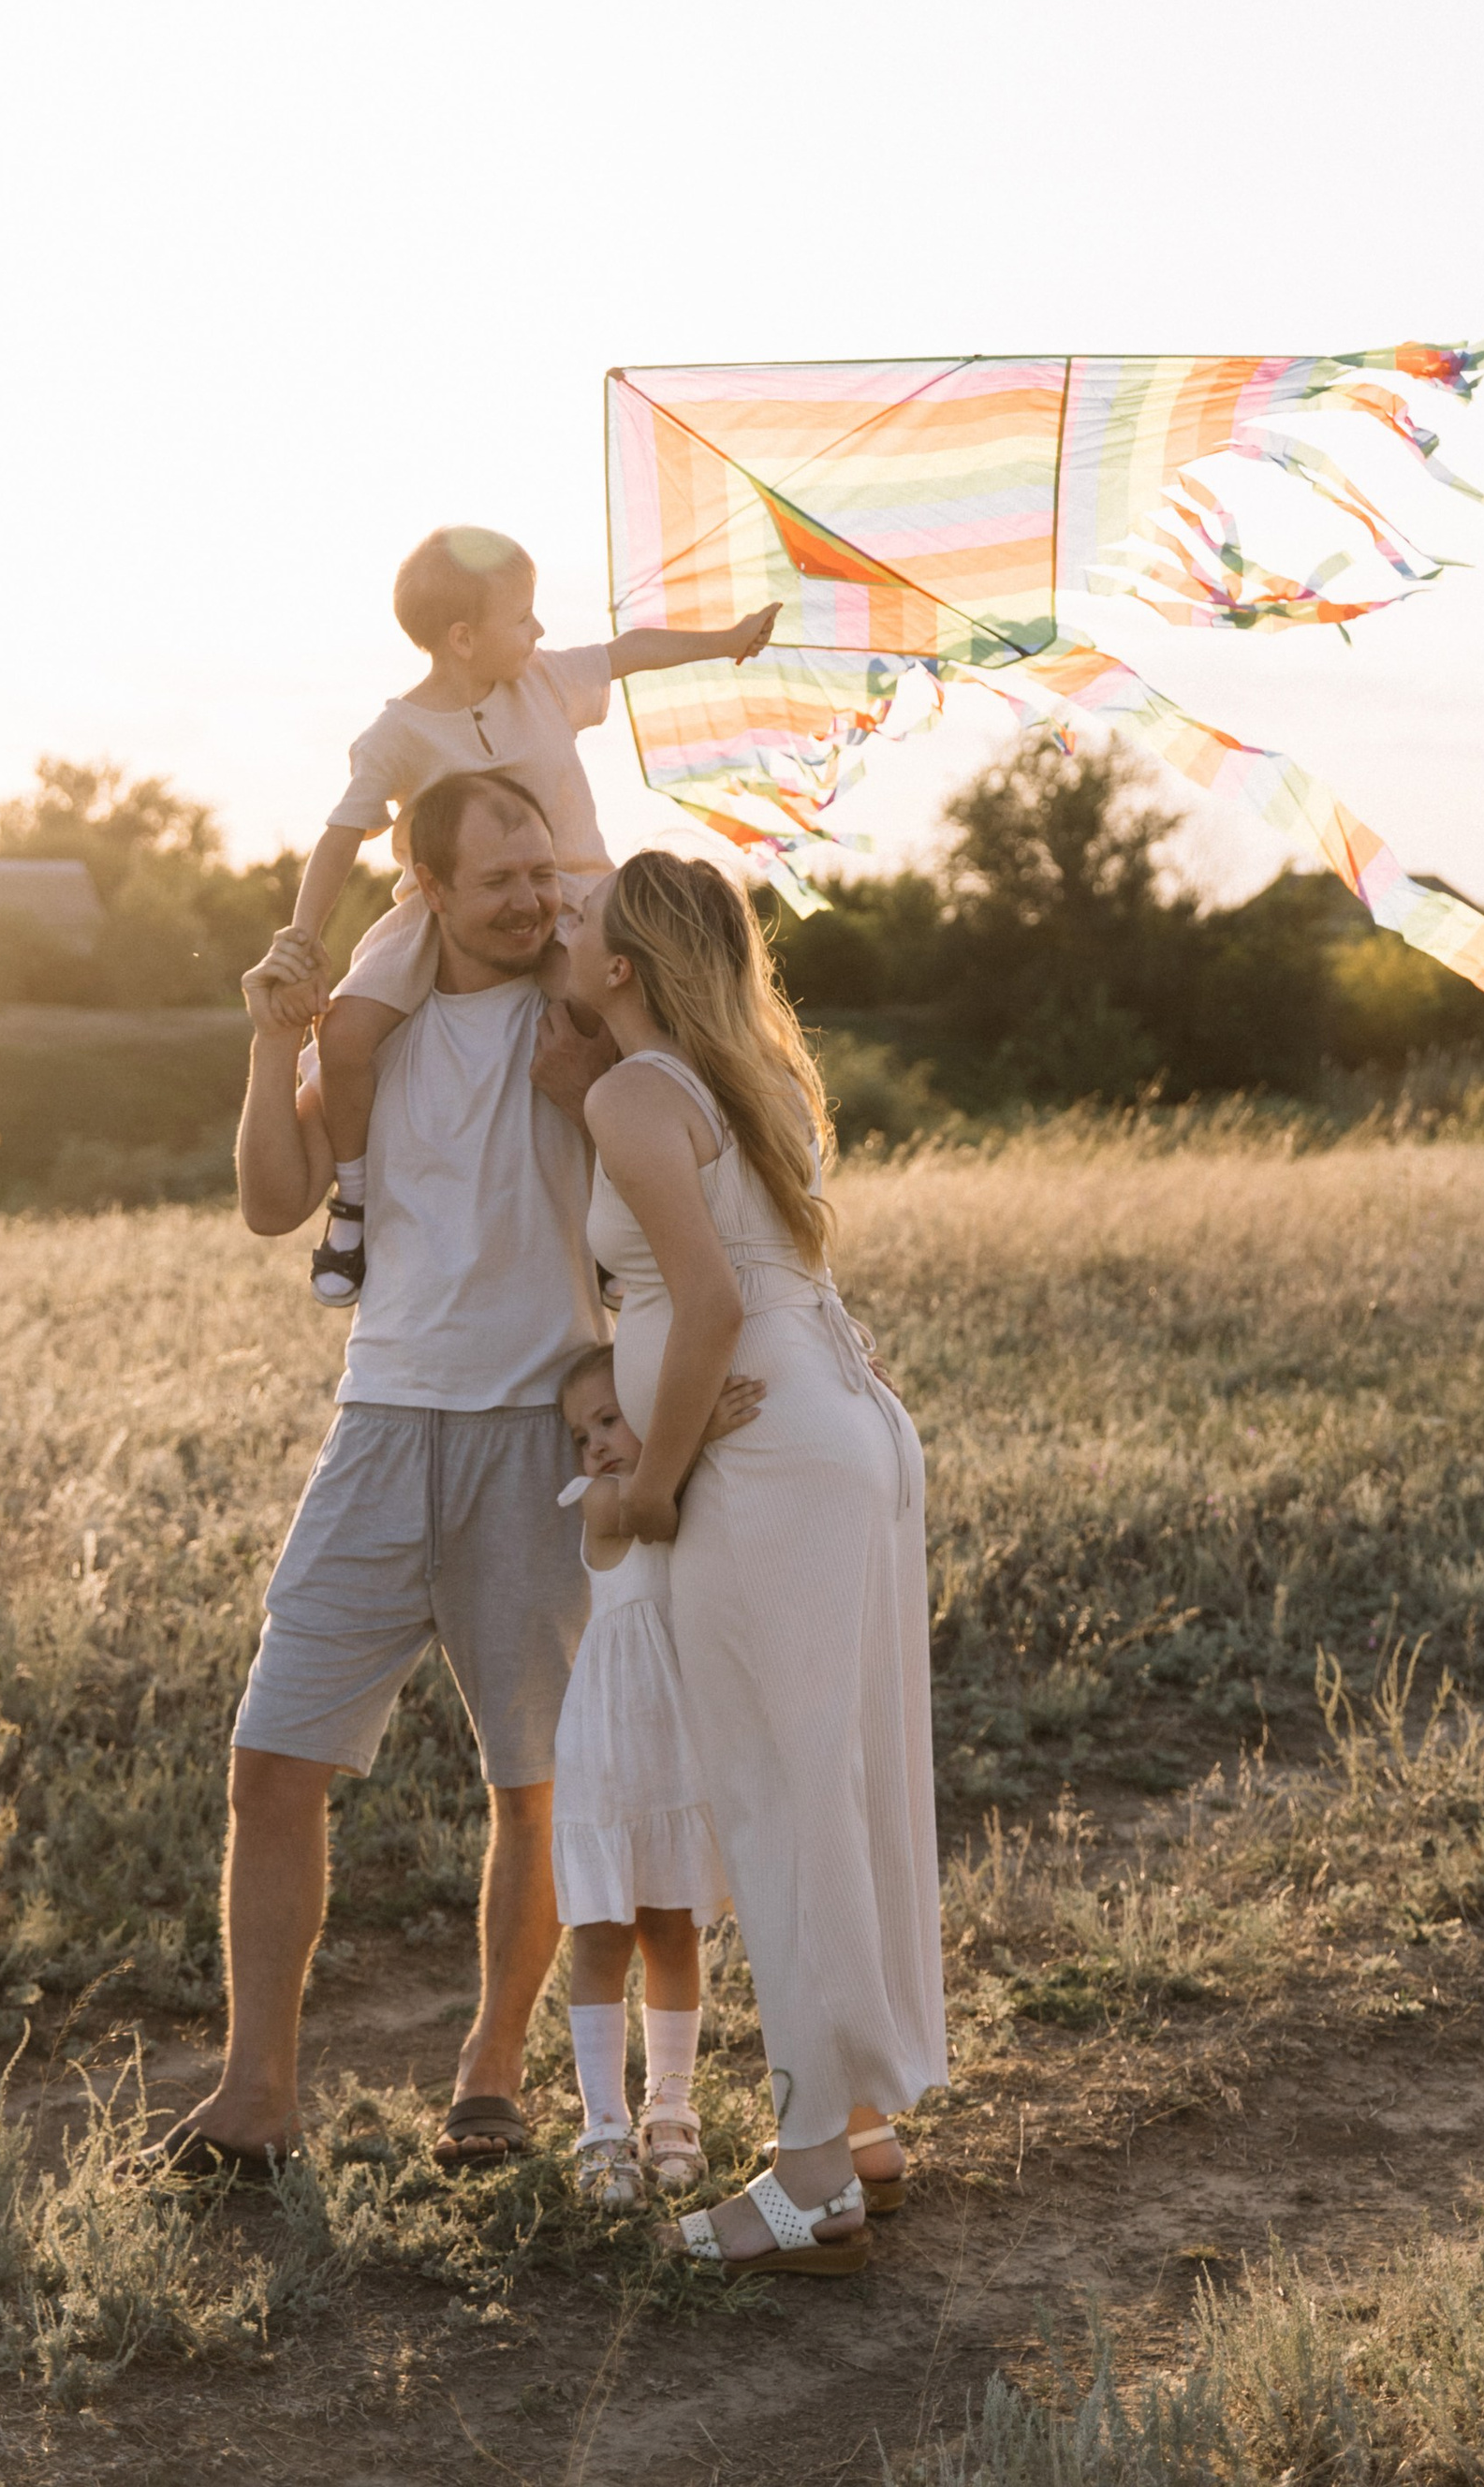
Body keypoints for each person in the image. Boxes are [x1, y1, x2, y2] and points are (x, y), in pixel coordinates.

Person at [153, 769, 616, 2185]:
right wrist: (264, 1047)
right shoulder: (375, 1029)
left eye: (541, 869)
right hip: (383, 1427)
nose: (532, 896)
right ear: (428, 891)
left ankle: (491, 2078)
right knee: (272, 1760)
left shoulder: (585, 1016)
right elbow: (271, 1201)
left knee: (534, 1781)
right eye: (499, 879)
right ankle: (255, 2100)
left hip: (538, 1432)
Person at [563, 851, 946, 2279]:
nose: (560, 922)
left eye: (579, 918)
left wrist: (653, 1479)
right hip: (842, 1427)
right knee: (832, 1780)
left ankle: (804, 2181)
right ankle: (857, 2125)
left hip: (767, 1460)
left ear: (623, 964)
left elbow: (706, 1298)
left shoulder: (633, 1093)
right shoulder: (746, 1079)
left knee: (782, 1799)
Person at [274, 523, 777, 1301]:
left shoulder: (542, 682)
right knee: (343, 1034)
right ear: (463, 637)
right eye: (523, 617)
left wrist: (729, 639)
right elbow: (342, 836)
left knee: (599, 1022)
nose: (539, 631)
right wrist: (304, 936)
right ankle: (353, 1200)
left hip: (571, 894)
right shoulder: (398, 732)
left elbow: (628, 651)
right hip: (441, 910)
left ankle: (616, 1212)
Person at [551, 1339, 753, 2210]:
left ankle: (670, 2106)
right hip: (608, 1752)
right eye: (580, 1432)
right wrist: (698, 1427)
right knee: (599, 1931)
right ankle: (602, 2122)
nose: (593, 1443)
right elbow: (645, 1506)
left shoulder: (689, 1487)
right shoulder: (602, 1500)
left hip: (679, 1747)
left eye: (610, 1417)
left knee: (673, 1930)